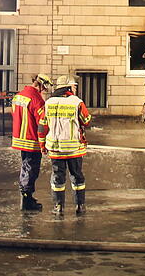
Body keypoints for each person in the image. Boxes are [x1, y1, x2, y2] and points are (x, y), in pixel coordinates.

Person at [38, 75, 92, 215]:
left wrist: (42, 145)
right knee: (77, 177)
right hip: (73, 148)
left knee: (57, 177)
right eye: (74, 86)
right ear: (68, 87)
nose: (75, 89)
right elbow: (86, 120)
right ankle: (80, 206)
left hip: (55, 149)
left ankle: (58, 207)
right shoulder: (76, 102)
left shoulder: (48, 103)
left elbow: (42, 126)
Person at [12, 73, 52, 211]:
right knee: (31, 169)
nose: (44, 92)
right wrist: (43, 145)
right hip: (31, 140)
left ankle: (26, 196)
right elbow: (42, 124)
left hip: (20, 139)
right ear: (40, 84)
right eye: (44, 88)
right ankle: (27, 200)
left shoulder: (19, 95)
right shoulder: (37, 100)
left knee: (25, 166)